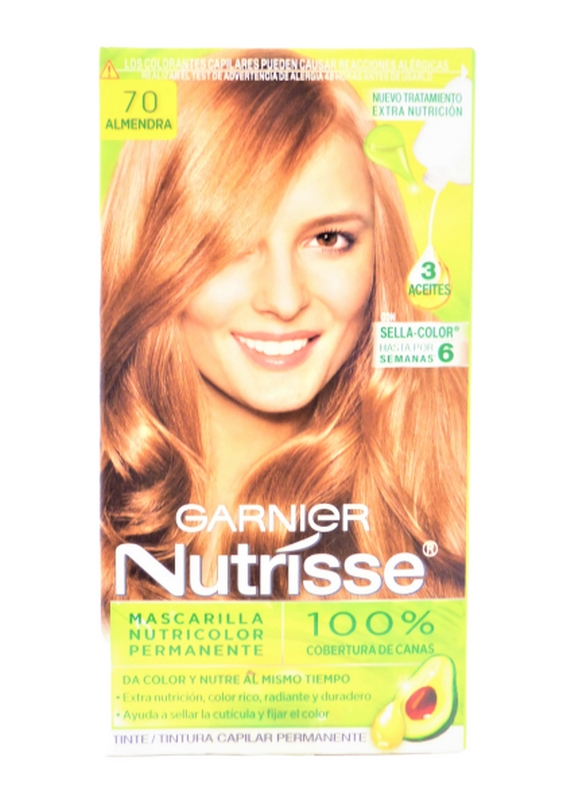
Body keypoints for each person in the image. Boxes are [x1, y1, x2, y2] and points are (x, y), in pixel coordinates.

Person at [101, 51, 467, 614]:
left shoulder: (464, 498)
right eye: (229, 244)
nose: (284, 299)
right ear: (152, 257)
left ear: (380, 254)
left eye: (328, 240)